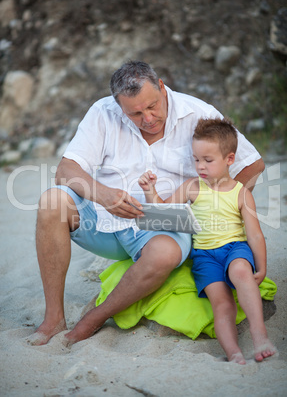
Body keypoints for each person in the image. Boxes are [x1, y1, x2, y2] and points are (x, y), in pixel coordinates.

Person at [29, 60, 265, 346]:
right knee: (52, 200)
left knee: (164, 253)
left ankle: (94, 318)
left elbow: (251, 164)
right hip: (107, 222)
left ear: (162, 87)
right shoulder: (102, 113)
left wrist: (216, 206)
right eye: (136, 113)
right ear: (119, 106)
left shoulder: (198, 113)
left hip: (166, 226)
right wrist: (102, 194)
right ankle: (53, 319)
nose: (148, 118)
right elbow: (65, 171)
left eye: (152, 106)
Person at [138, 117, 276, 364]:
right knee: (221, 304)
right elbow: (164, 210)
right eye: (196, 159)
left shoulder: (240, 193)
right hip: (205, 255)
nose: (200, 166)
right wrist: (150, 190)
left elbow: (254, 233)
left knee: (242, 273)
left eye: (208, 160)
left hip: (235, 248)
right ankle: (233, 352)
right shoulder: (193, 186)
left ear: (229, 159)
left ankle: (260, 337)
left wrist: (262, 266)